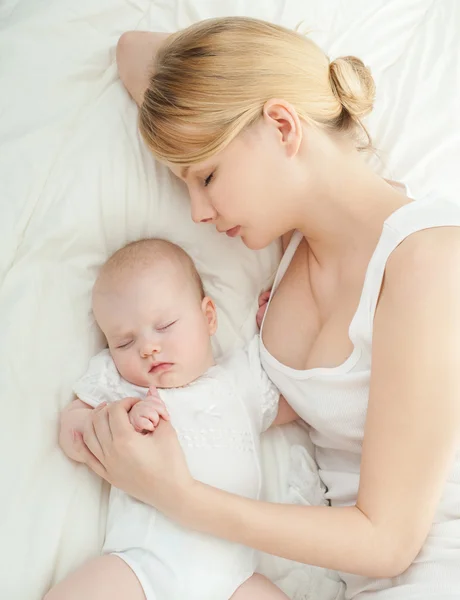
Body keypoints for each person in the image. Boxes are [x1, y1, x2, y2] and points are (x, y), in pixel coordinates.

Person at [73, 16, 460, 600]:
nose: (199, 211)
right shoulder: (290, 248)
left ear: (282, 126)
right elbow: (133, 53)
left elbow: (388, 541)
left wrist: (178, 496)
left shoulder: (428, 261)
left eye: (206, 176)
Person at [47, 237, 317, 600]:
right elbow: (71, 431)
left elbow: (303, 397)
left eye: (165, 325)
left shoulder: (240, 382)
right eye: (124, 342)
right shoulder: (121, 385)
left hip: (232, 579)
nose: (148, 347)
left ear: (208, 317)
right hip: (142, 567)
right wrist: (118, 419)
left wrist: (280, 324)